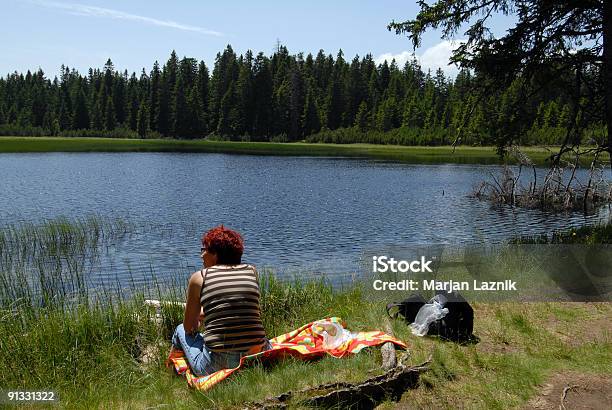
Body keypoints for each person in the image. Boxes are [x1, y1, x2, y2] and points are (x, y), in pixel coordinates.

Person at [170, 225, 269, 376]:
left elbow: (189, 327)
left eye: (204, 250)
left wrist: (198, 321)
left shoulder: (199, 278)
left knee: (180, 330)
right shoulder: (251, 271)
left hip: (218, 365)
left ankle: (175, 373)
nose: (201, 255)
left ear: (215, 254)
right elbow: (245, 310)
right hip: (258, 357)